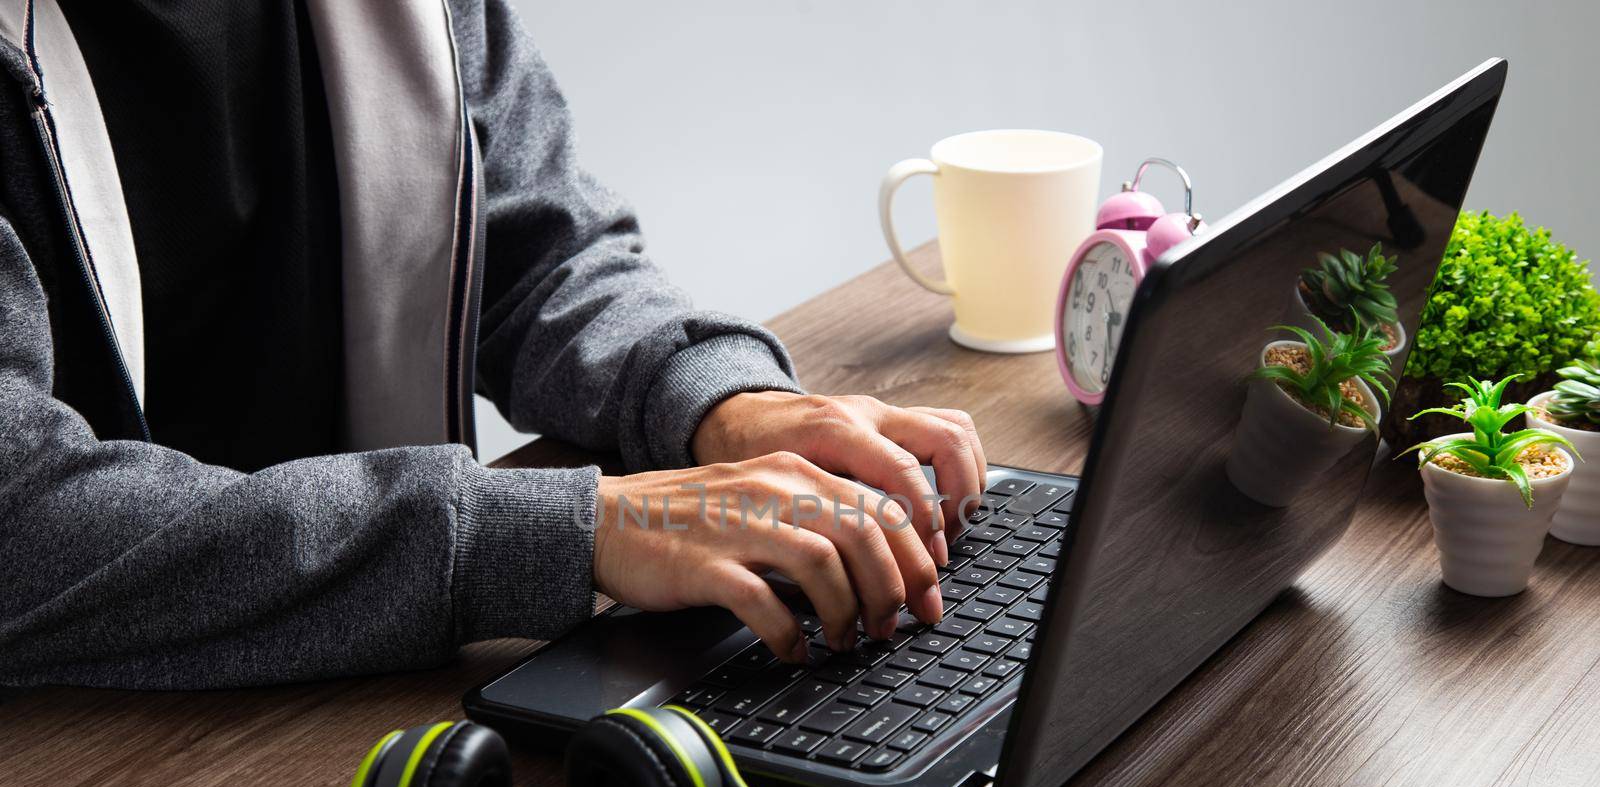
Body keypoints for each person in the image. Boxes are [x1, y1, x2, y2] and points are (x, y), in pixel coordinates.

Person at [0, 0, 986, 689]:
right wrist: (572, 529)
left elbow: (531, 246)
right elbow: (22, 522)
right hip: (79, 777)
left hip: (374, 694)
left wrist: (721, 404)